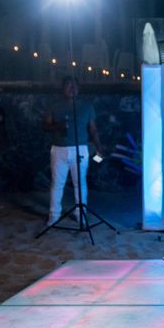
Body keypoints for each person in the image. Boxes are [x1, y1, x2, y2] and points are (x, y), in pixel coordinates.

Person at [42, 76, 103, 225]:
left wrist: (99, 149)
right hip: (59, 149)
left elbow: (93, 129)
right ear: (63, 88)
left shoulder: (87, 106)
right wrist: (58, 126)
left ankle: (80, 213)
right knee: (57, 183)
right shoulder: (54, 105)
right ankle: (54, 214)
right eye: (68, 85)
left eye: (74, 85)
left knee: (80, 182)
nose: (72, 88)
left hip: (80, 149)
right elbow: (45, 126)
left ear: (79, 88)